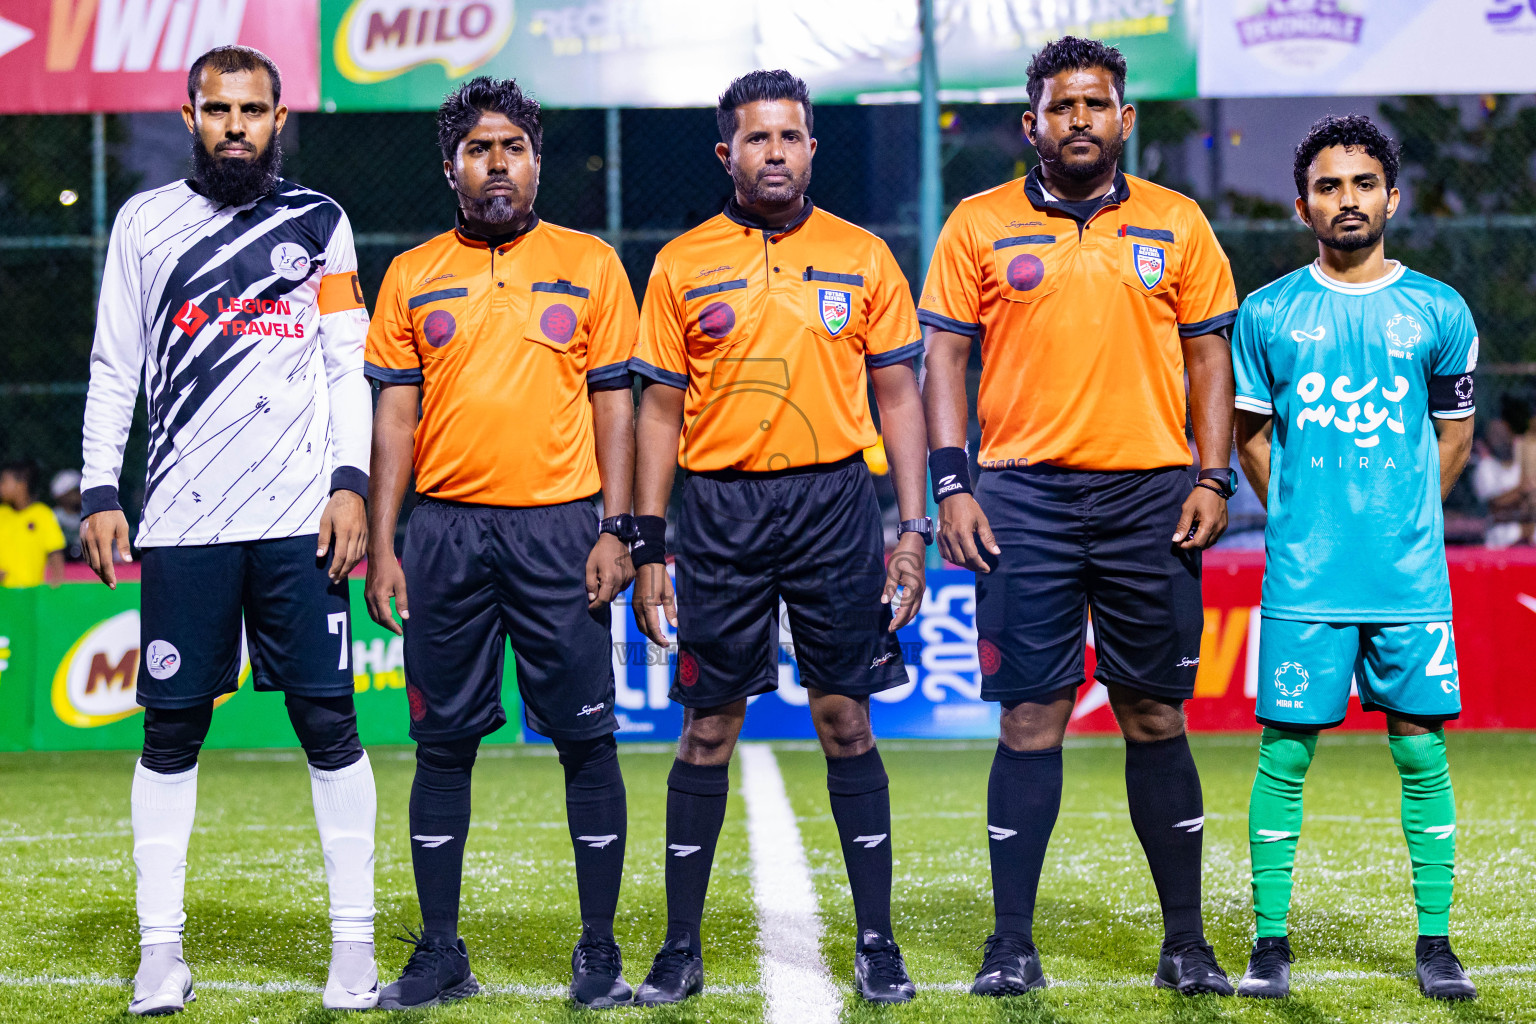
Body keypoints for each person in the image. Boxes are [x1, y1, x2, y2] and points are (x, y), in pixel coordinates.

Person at [919, 36, 1240, 997]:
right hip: (1022, 496)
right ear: (1033, 123)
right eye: (1062, 107)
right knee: (1029, 715)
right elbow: (942, 361)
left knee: (1153, 711)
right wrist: (951, 483)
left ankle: (1185, 943)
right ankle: (1009, 944)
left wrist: (1213, 478)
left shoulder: (1179, 224)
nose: (1080, 120)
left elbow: (1210, 360)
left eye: (1097, 104)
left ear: (1125, 119)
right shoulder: (977, 225)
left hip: (1151, 494)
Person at [79, 45, 378, 1015]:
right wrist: (97, 489)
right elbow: (114, 364)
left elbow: (346, 367)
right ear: (190, 114)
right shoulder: (145, 224)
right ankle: (160, 952)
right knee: (172, 728)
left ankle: (353, 948)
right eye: (219, 111)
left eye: (253, 110)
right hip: (184, 519)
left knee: (329, 721)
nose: (236, 127)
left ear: (280, 118)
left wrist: (349, 482)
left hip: (300, 517)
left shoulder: (320, 224)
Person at [627, 69, 930, 1006]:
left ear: (810, 147)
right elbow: (657, 414)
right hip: (716, 514)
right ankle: (680, 947)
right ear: (728, 154)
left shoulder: (863, 256)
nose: (774, 153)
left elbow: (899, 398)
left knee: (845, 719)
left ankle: (876, 942)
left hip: (835, 507)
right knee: (708, 726)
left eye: (789, 137)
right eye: (755, 139)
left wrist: (911, 529)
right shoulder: (681, 262)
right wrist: (646, 545)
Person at [363, 77, 639, 1011]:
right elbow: (394, 421)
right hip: (443, 531)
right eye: (479, 150)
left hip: (563, 529)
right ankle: (441, 952)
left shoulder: (592, 263)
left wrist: (617, 526)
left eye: (513, 147)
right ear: (452, 169)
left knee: (585, 745)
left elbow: (616, 407)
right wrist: (387, 543)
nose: (497, 164)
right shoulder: (410, 274)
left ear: (534, 160)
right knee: (442, 745)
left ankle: (597, 949)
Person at [1232, 114, 1479, 1001]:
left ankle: (1437, 944)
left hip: (1409, 579)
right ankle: (1268, 944)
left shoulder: (1441, 310)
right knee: (1284, 755)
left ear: (1391, 197)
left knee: (1421, 753)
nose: (1348, 200)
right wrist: (1305, 518)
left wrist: (1402, 517)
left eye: (1363, 184)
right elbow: (1251, 439)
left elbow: (1454, 437)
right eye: (1329, 186)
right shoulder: (1266, 314)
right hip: (1307, 576)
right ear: (1304, 205)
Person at [1471, 402, 1531, 548]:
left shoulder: (1521, 460)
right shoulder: (1484, 468)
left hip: (1529, 540)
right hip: (1500, 542)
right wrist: (1522, 491)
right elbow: (1494, 506)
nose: (1501, 439)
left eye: (1504, 433)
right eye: (1495, 434)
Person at [0, 459, 66, 587]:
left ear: (21, 484)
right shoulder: (2, 513)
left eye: (3, 481)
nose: (1, 487)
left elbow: (55, 551)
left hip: (31, 593)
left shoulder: (42, 514)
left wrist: (57, 581)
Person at [50, 468, 84, 561]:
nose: (81, 493)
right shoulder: (52, 518)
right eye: (76, 490)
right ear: (63, 495)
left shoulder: (89, 517)